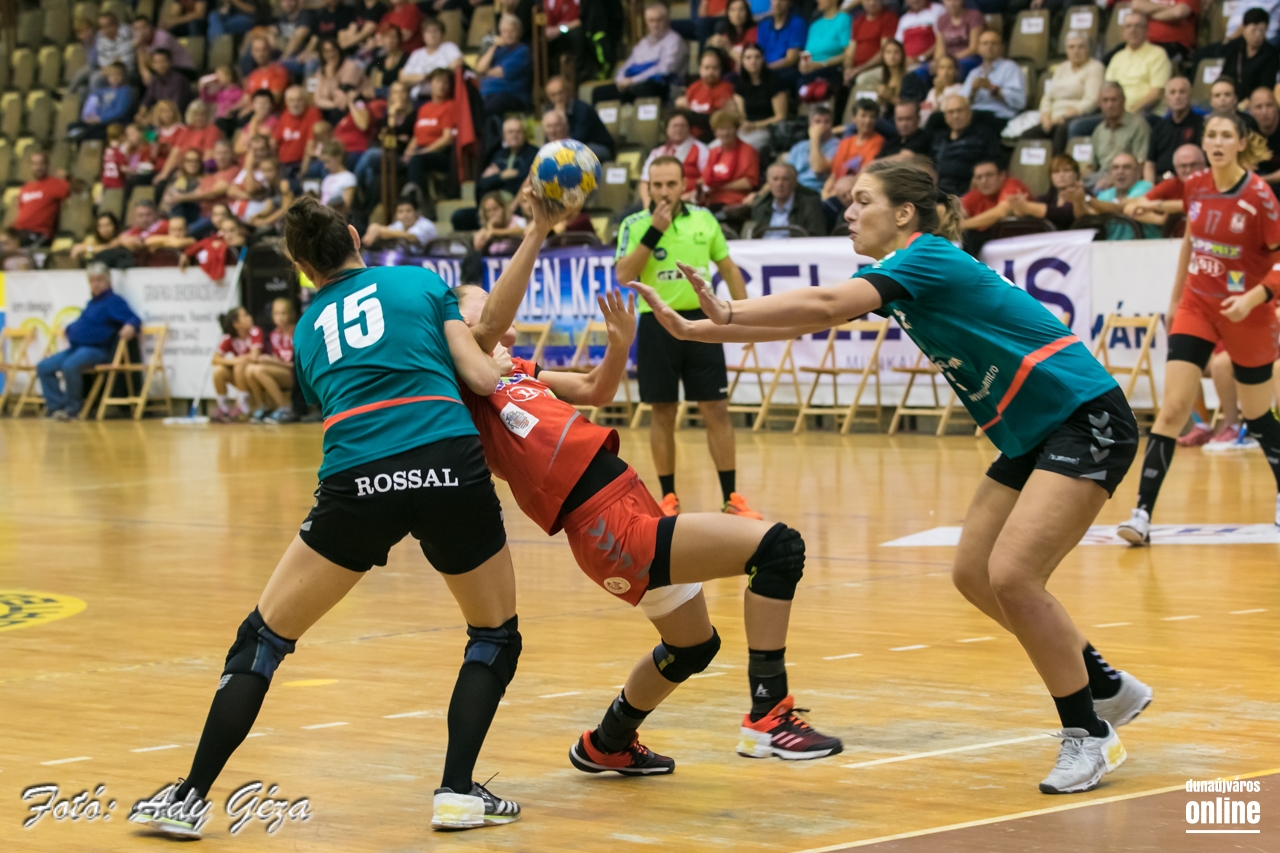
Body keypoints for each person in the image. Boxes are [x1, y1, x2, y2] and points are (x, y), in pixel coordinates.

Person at [635, 157, 1155, 796]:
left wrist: (727, 309)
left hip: (1081, 413)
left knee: (1015, 576)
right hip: (1034, 429)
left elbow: (826, 302)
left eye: (862, 201)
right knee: (974, 573)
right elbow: (814, 318)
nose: (848, 212)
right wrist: (704, 326)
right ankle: (1102, 684)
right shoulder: (901, 271)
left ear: (904, 213)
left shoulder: (927, 256)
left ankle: (1089, 733)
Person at [128, 198, 522, 837]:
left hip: (357, 477)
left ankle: (188, 798)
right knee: (494, 634)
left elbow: (329, 395)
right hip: (446, 462)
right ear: (357, 237)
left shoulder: (308, 328)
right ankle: (456, 793)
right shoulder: (420, 281)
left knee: (263, 638)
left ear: (305, 268)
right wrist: (496, 366)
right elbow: (478, 378)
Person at [449, 233, 842, 777]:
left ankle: (606, 742)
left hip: (632, 504)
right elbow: (477, 354)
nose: (497, 308)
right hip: (606, 525)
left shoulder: (517, 368)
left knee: (693, 646)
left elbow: (597, 389)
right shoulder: (462, 379)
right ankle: (767, 716)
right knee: (778, 549)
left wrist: (620, 343)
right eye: (481, 303)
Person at [1117, 112, 1280, 543]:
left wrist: (1252, 299)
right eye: (1212, 135)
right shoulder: (1196, 185)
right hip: (1198, 305)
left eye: (1227, 135)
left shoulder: (1260, 196)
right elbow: (1191, 240)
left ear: (1241, 142)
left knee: (1258, 417)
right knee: (1173, 409)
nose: (1218, 141)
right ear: (1204, 143)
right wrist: (1176, 299)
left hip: (1249, 312)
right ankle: (1141, 514)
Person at [615, 155, 760, 520]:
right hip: (656, 324)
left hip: (703, 323)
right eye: (657, 185)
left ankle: (731, 497)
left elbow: (728, 268)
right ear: (649, 187)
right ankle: (668, 498)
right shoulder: (634, 224)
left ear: (684, 186)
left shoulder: (704, 218)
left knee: (716, 409)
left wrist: (746, 318)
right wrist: (654, 232)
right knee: (663, 411)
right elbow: (623, 274)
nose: (664, 192)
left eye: (671, 184)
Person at [37, 263, 141, 421]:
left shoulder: (114, 301)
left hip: (96, 350)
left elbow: (133, 318)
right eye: (92, 281)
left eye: (99, 280)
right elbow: (84, 323)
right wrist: (70, 329)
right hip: (75, 348)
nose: (95, 284)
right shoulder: (91, 304)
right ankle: (56, 406)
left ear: (108, 281)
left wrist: (130, 326)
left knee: (69, 366)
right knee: (44, 366)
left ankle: (73, 409)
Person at [591, 2, 687, 104]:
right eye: (651, 21)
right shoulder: (643, 43)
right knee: (599, 92)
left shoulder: (674, 41)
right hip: (635, 84)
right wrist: (621, 80)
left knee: (645, 87)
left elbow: (664, 70)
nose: (655, 25)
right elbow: (628, 65)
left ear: (667, 20)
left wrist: (633, 80)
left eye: (659, 20)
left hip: (664, 86)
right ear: (646, 22)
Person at [1030, 32, 1103, 154]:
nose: (1076, 51)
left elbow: (1092, 99)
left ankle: (1057, 164)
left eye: (1081, 46)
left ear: (1088, 49)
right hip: (1052, 118)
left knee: (1061, 131)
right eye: (1071, 47)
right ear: (1066, 50)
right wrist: (1045, 115)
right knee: (1028, 136)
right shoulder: (1061, 68)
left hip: (1075, 116)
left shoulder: (1095, 67)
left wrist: (1065, 116)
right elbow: (1048, 97)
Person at [403, 68, 458, 202]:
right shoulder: (423, 109)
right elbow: (416, 136)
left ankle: (412, 198)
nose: (442, 85)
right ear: (430, 84)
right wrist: (408, 151)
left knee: (416, 160)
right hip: (420, 151)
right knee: (395, 162)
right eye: (438, 81)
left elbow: (446, 139)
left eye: (446, 82)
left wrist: (423, 152)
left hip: (440, 153)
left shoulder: (450, 106)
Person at [932, 94, 1003, 195]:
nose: (955, 116)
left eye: (960, 110)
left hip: (970, 190)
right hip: (939, 191)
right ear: (945, 117)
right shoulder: (939, 138)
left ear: (969, 112)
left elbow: (996, 161)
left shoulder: (984, 134)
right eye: (951, 112)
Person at [1103, 14, 1172, 117]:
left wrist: (1131, 113)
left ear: (1146, 30)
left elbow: (1156, 94)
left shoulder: (1158, 54)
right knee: (1081, 125)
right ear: (1122, 32)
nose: (1133, 30)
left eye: (1138, 26)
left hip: (1147, 113)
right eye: (1128, 26)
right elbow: (1108, 89)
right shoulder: (1117, 57)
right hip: (1117, 114)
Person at [1124, 142, 1205, 228]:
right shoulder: (1172, 184)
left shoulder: (1210, 181)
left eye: (1193, 165)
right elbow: (1129, 208)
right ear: (1175, 168)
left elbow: (1195, 205)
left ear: (1204, 165)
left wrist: (1156, 205)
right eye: (1183, 166)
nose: (1188, 170)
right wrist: (1161, 220)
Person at [958, 158, 1030, 253]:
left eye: (989, 175)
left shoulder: (1012, 186)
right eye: (979, 177)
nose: (984, 181)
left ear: (1002, 175)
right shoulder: (977, 193)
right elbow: (957, 211)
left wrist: (962, 224)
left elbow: (1002, 212)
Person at [1086, 82, 1150, 188]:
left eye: (1114, 100)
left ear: (1123, 101)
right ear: (1099, 104)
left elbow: (1141, 164)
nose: (1110, 105)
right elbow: (1091, 166)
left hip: (1123, 180)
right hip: (1098, 179)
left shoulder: (1138, 126)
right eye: (1105, 100)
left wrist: (1112, 180)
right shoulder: (1099, 130)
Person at [246, 298, 298, 423]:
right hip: (281, 371)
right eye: (276, 313)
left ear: (291, 314)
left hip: (295, 375)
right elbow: (277, 358)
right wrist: (269, 360)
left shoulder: (296, 332)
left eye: (283, 313)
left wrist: (272, 361)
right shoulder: (274, 334)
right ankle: (263, 407)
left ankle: (285, 408)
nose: (280, 317)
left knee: (260, 370)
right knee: (250, 370)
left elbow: (296, 365)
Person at [640, 111, 709, 205]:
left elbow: (707, 180)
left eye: (682, 126)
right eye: (675, 126)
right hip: (658, 201)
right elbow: (645, 181)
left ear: (689, 128)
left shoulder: (701, 149)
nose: (679, 129)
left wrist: (688, 197)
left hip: (689, 201)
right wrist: (647, 204)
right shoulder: (657, 152)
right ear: (667, 129)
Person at [959, 29, 1025, 127]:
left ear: (1001, 48)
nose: (989, 47)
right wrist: (972, 92)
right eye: (985, 44)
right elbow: (962, 101)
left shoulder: (1011, 68)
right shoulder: (974, 72)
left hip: (999, 116)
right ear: (978, 48)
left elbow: (1019, 102)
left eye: (994, 43)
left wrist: (992, 88)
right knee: (939, 118)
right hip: (974, 114)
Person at [210, 305, 265, 421]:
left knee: (239, 366)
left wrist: (239, 360)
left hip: (254, 375)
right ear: (236, 324)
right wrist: (235, 360)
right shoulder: (229, 338)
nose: (249, 317)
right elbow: (214, 360)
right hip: (240, 376)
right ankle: (223, 409)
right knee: (219, 371)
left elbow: (254, 356)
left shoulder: (255, 332)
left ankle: (243, 407)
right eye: (245, 315)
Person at [1144, 76, 1202, 184]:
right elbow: (1150, 163)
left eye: (1182, 92)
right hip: (1161, 183)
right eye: (1172, 92)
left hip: (1190, 182)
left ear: (1190, 96)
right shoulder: (1159, 127)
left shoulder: (1201, 125)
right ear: (1166, 98)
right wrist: (1149, 187)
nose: (1177, 96)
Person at [544, 75, 614, 162]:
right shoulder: (551, 112)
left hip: (598, 146)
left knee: (573, 155)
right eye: (553, 95)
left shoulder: (583, 109)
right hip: (572, 147)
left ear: (567, 91)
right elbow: (548, 139)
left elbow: (578, 140)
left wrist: (563, 119)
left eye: (560, 93)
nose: (558, 98)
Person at [733, 43, 789, 152]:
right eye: (748, 57)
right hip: (747, 129)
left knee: (744, 149)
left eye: (757, 57)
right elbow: (741, 114)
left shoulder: (775, 82)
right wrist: (743, 124)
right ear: (742, 61)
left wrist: (755, 125)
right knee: (720, 146)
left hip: (768, 130)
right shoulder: (740, 84)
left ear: (763, 59)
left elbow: (781, 117)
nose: (753, 61)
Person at [1087, 152, 1157, 238]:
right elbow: (1091, 214)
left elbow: (1120, 206)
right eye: (1115, 168)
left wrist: (1087, 199)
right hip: (1111, 245)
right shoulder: (1105, 195)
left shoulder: (1146, 187)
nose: (1120, 172)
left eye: (1127, 167)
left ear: (1138, 173)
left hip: (1146, 244)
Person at [1009, 154, 1088, 229]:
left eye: (1066, 170)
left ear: (1077, 174)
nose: (1061, 175)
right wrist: (1019, 208)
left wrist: (1027, 207)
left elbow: (1062, 214)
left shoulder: (1085, 194)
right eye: (1056, 172)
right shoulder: (1049, 197)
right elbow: (1035, 206)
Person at [749, 161, 827, 237]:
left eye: (785, 179)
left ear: (794, 182)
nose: (780, 184)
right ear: (768, 183)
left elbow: (816, 238)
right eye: (775, 179)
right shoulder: (760, 207)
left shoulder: (810, 207)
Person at [700, 110, 760, 209]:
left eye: (729, 128)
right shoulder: (713, 152)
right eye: (721, 129)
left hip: (734, 202)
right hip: (711, 200)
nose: (725, 133)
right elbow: (705, 179)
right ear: (715, 132)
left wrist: (721, 187)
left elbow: (749, 182)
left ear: (736, 130)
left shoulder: (748, 151)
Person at [476, 14, 533, 114]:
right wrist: (494, 47)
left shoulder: (522, 51)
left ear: (519, 32)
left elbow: (501, 72)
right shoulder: (497, 49)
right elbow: (479, 69)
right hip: (486, 94)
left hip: (510, 94)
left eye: (512, 31)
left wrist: (485, 73)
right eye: (504, 31)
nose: (508, 35)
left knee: (489, 107)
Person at [13, 151, 71, 247]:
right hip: (18, 231)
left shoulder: (56, 184)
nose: (38, 167)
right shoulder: (26, 187)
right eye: (34, 164)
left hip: (39, 234)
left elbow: (76, 196)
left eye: (41, 164)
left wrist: (67, 177)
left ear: (47, 165)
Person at [825, 99, 884, 192]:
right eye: (863, 116)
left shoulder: (878, 141)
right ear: (854, 118)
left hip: (857, 188)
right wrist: (826, 191)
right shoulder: (845, 142)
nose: (868, 120)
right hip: (838, 188)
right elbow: (834, 173)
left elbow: (865, 172)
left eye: (872, 117)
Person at [676, 48, 736, 140]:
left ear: (720, 69)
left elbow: (716, 120)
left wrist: (690, 115)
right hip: (689, 137)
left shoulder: (726, 88)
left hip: (712, 137)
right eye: (707, 68)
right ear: (700, 69)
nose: (710, 72)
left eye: (715, 68)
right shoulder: (693, 87)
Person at [1222, 8, 1279, 104]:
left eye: (1262, 31)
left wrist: (1249, 101)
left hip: (1255, 102)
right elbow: (1225, 76)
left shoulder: (1271, 54)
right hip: (1230, 99)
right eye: (1254, 30)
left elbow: (1266, 86)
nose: (1258, 35)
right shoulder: (1234, 48)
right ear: (1244, 28)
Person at [400, 16, 463, 100]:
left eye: (435, 31)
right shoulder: (416, 54)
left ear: (442, 34)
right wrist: (426, 77)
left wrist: (433, 77)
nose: (432, 35)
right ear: (423, 35)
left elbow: (458, 64)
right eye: (429, 32)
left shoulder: (449, 47)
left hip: (443, 97)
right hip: (417, 97)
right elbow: (403, 77)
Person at [69, 61, 135, 141]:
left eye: (118, 74)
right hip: (97, 120)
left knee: (98, 129)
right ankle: (80, 134)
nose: (115, 77)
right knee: (72, 126)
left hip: (113, 121)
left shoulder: (126, 91)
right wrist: (90, 117)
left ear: (124, 76)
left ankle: (82, 135)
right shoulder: (101, 91)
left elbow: (120, 111)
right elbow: (93, 104)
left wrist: (100, 119)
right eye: (112, 75)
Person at [799, 0, 852, 92]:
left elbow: (848, 53)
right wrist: (803, 64)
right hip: (811, 70)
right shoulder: (814, 25)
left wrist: (822, 64)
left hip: (831, 69)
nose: (817, 1)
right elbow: (806, 52)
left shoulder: (844, 19)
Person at [787, 106, 840, 192]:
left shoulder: (838, 145)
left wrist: (815, 138)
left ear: (832, 124)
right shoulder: (800, 146)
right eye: (817, 122)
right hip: (794, 189)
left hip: (816, 190)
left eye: (826, 122)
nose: (822, 126)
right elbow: (787, 172)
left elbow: (818, 169)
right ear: (810, 124)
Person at [273, 86, 323, 177]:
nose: (295, 104)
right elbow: (274, 141)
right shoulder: (284, 115)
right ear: (286, 102)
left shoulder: (312, 113)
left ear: (305, 101)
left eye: (299, 100)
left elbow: (311, 143)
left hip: (299, 163)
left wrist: (303, 172)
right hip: (282, 163)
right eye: (291, 100)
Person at [845, 0, 899, 84]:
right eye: (868, 0)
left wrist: (860, 69)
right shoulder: (858, 20)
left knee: (862, 79)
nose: (872, 3)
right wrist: (848, 69)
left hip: (878, 67)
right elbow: (850, 52)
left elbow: (884, 51)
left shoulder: (888, 17)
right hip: (856, 69)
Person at [754, 0, 806, 85]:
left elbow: (791, 59)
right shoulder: (763, 25)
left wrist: (764, 68)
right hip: (764, 70)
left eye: (782, 1)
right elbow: (759, 53)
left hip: (785, 71)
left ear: (789, 3)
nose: (777, 3)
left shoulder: (797, 23)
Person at [1131, 0, 1197, 61]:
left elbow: (1178, 13)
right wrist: (1171, 9)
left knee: (1152, 60)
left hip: (1176, 45)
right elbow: (1136, 5)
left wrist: (1148, 12)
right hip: (1146, 43)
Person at [933, 0, 984, 77]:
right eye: (948, 1)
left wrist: (950, 60)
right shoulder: (941, 19)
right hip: (947, 60)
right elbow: (940, 48)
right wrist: (937, 61)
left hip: (970, 57)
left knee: (953, 69)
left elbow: (974, 48)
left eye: (955, 0)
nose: (952, 4)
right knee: (924, 71)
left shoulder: (974, 16)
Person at [139, 49, 194, 118]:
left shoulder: (178, 80)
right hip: (160, 116)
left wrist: (152, 116)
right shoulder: (155, 79)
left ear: (170, 62)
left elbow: (175, 107)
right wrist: (141, 113)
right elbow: (147, 99)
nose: (160, 65)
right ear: (152, 65)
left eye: (163, 61)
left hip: (177, 117)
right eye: (156, 62)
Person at [708, 0, 759, 72]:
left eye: (741, 10)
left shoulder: (753, 31)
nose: (737, 14)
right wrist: (710, 42)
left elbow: (751, 60)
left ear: (747, 12)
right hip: (727, 72)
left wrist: (729, 49)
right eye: (733, 10)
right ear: (728, 13)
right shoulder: (725, 34)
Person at [472, 190, 528, 255]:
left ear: (503, 208)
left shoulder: (517, 220)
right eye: (488, 211)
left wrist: (495, 232)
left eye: (495, 209)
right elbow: (478, 248)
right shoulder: (486, 231)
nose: (492, 213)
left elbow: (524, 230)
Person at [364, 197, 438, 246]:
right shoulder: (399, 224)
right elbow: (383, 229)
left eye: (408, 211)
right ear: (396, 215)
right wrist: (374, 228)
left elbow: (410, 237)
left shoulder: (426, 225)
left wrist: (380, 231)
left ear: (417, 213)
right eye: (400, 211)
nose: (404, 215)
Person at [895, 0, 945, 68]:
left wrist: (921, 58)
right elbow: (898, 44)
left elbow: (942, 40)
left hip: (930, 62)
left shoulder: (938, 10)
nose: (915, 1)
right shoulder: (903, 19)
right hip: (907, 63)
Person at [1248, 86, 1280, 189]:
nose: (1264, 112)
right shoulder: (1245, 130)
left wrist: (1263, 180)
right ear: (1250, 110)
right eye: (1258, 107)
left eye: (1269, 105)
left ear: (1277, 107)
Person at [920, 52, 963, 124]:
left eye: (950, 68)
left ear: (956, 71)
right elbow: (926, 111)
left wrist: (939, 94)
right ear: (937, 71)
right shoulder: (932, 91)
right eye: (942, 68)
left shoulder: (960, 89)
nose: (945, 72)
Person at [317, 140, 357, 210]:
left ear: (338, 158)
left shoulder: (348, 178)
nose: (325, 166)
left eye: (328, 161)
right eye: (324, 162)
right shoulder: (327, 178)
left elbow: (346, 207)